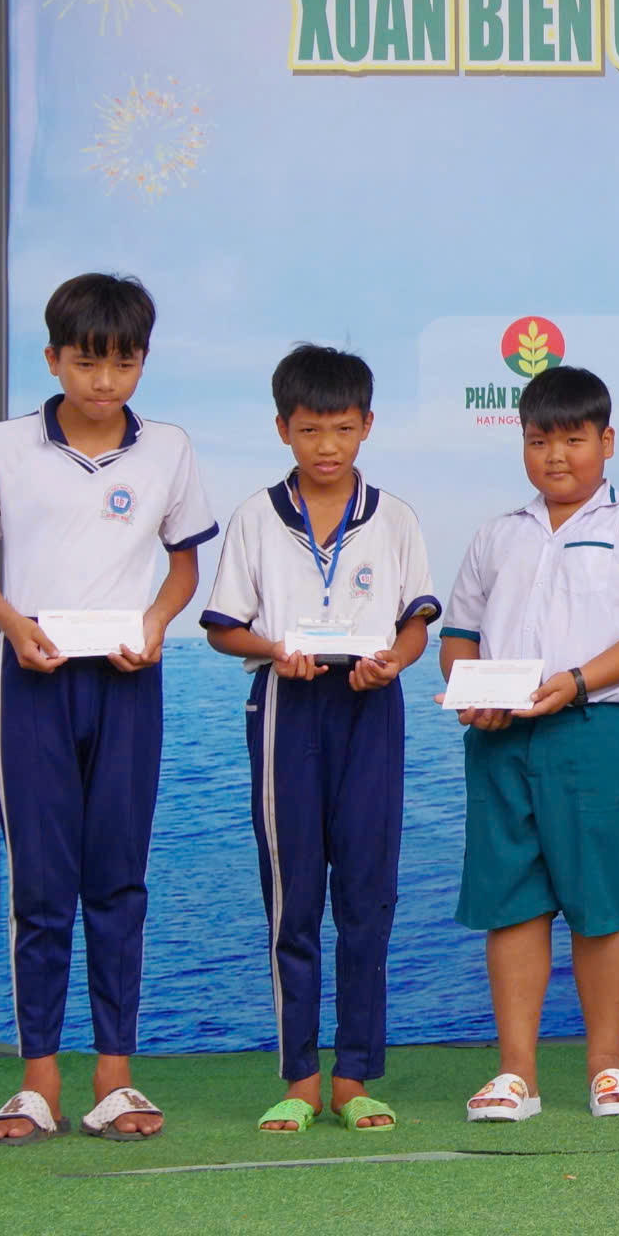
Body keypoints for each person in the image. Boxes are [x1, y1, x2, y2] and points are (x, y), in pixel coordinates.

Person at [0, 272, 217, 1143]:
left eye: (124, 363)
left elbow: (183, 566)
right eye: (88, 362)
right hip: (35, 679)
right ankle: (37, 1083)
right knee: (40, 883)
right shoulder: (3, 447)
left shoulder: (168, 449)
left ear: (143, 362)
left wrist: (156, 625)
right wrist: (16, 628)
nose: (105, 381)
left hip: (129, 680)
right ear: (53, 358)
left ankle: (115, 1079)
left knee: (119, 880)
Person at [438, 366, 619, 1122]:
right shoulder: (497, 534)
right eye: (538, 440)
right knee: (511, 902)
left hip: (595, 732)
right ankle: (515, 1074)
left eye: (574, 439)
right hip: (501, 739)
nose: (556, 456)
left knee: (599, 900)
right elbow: (458, 634)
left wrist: (579, 681)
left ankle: (607, 1066)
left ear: (606, 441)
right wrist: (474, 693)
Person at [201, 345, 439, 1132]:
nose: (327, 446)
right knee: (293, 898)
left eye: (342, 428)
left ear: (367, 424)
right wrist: (274, 649)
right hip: (288, 705)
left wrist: (394, 661)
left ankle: (355, 1075)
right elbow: (224, 629)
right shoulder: (255, 516)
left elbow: (415, 621)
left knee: (367, 896)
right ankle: (300, 1078)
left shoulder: (394, 517)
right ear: (283, 429)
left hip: (370, 704)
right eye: (309, 430)